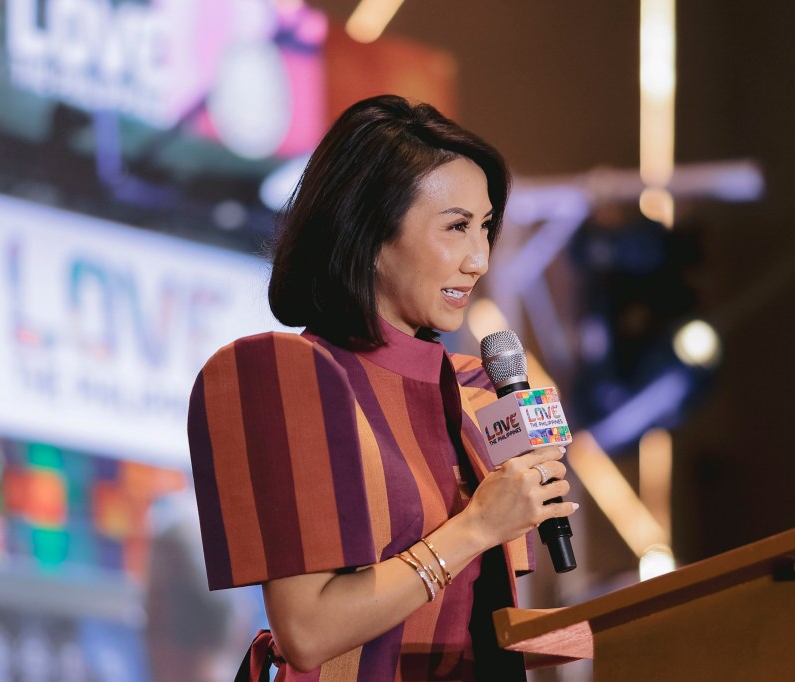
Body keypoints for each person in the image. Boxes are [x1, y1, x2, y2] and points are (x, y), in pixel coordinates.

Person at [187, 94, 577, 681]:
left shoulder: (477, 388)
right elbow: (306, 632)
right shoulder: (287, 377)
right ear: (370, 233)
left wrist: (618, 628)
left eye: (485, 227)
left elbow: (467, 628)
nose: (479, 259)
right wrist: (478, 526)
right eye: (456, 227)